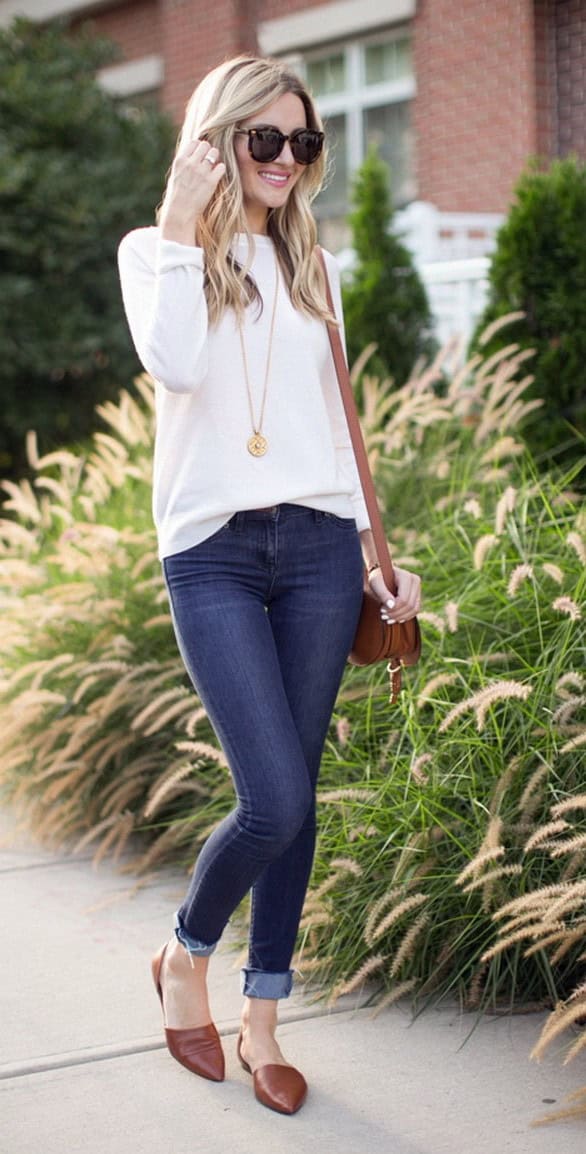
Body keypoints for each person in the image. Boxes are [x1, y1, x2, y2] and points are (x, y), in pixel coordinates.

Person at [117, 54, 421, 1116]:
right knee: (273, 795)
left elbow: (335, 423)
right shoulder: (155, 254)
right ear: (218, 142)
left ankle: (263, 1018)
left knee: (301, 804)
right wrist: (176, 220)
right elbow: (177, 366)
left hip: (322, 550)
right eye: (266, 141)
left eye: (305, 143)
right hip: (212, 553)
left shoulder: (313, 267)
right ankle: (184, 955)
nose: (288, 161)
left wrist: (380, 553)